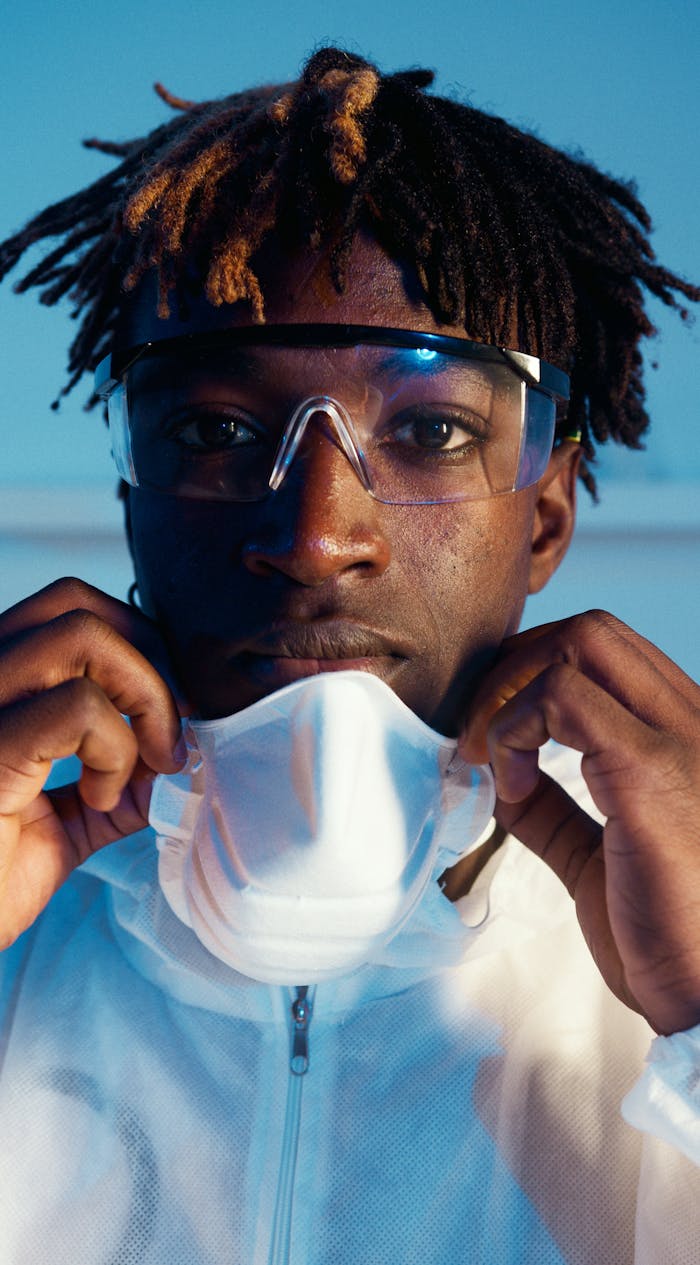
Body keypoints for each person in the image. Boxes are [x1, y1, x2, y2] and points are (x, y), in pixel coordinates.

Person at [1, 45, 699, 1264]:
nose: (317, 536)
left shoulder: (679, 928)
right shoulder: (20, 895)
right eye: (219, 428)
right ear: (134, 501)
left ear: (543, 517)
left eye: (431, 429)